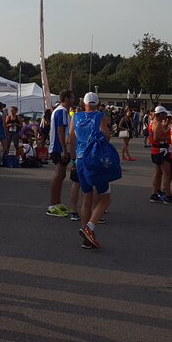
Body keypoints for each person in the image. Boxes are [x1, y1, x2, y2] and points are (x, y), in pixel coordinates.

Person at [69, 92, 113, 249]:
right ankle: (90, 227)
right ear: (97, 103)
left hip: (80, 159)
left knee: (86, 198)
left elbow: (71, 139)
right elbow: (107, 136)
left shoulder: (76, 116)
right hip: (95, 159)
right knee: (105, 198)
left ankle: (87, 239)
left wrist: (73, 160)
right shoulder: (100, 116)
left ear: (84, 103)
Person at [46, 90, 74, 217]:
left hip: (58, 147)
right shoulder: (61, 111)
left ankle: (57, 203)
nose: (74, 100)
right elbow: (60, 131)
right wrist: (64, 149)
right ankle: (52, 205)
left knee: (61, 175)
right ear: (66, 99)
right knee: (58, 175)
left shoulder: (60, 110)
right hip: (58, 148)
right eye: (72, 98)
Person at [148, 105, 172, 204]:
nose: (166, 115)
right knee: (167, 174)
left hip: (155, 150)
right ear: (160, 114)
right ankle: (168, 196)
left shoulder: (153, 122)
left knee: (158, 174)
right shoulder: (157, 123)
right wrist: (167, 138)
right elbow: (157, 138)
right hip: (160, 150)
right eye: (165, 114)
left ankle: (155, 194)